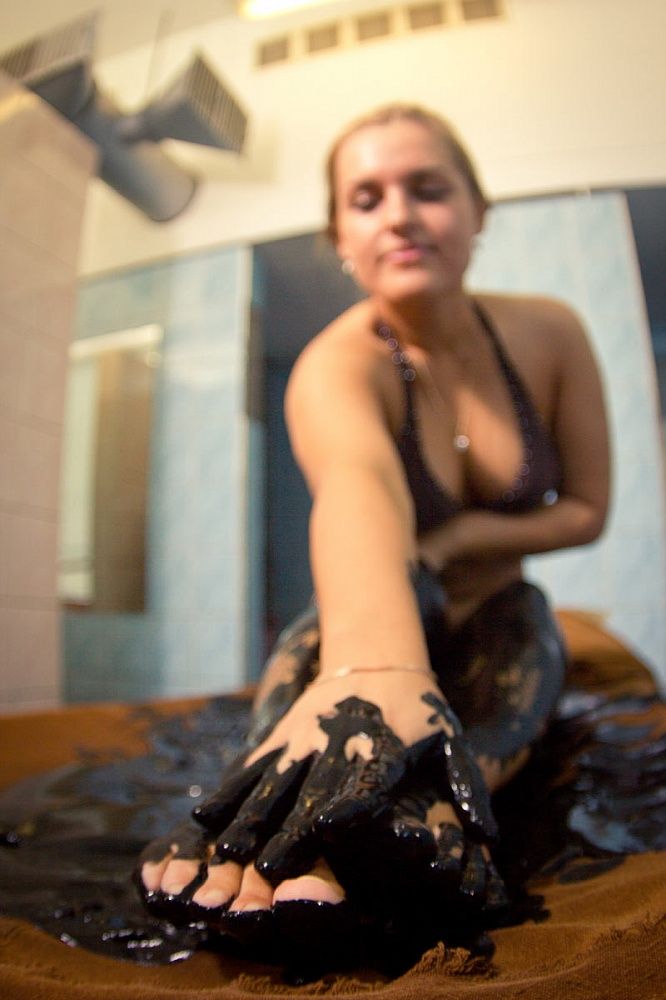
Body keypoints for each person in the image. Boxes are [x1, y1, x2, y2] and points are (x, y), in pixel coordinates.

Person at [136, 104, 610, 960]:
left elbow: (588, 509)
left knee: (520, 632)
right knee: (319, 685)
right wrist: (371, 677)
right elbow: (356, 487)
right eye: (367, 199)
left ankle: (414, 802)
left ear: (478, 211)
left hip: (497, 606)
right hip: (376, 605)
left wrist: (458, 539)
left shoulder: (551, 333)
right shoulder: (336, 365)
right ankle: (325, 815)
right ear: (340, 239)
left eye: (428, 189)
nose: (399, 215)